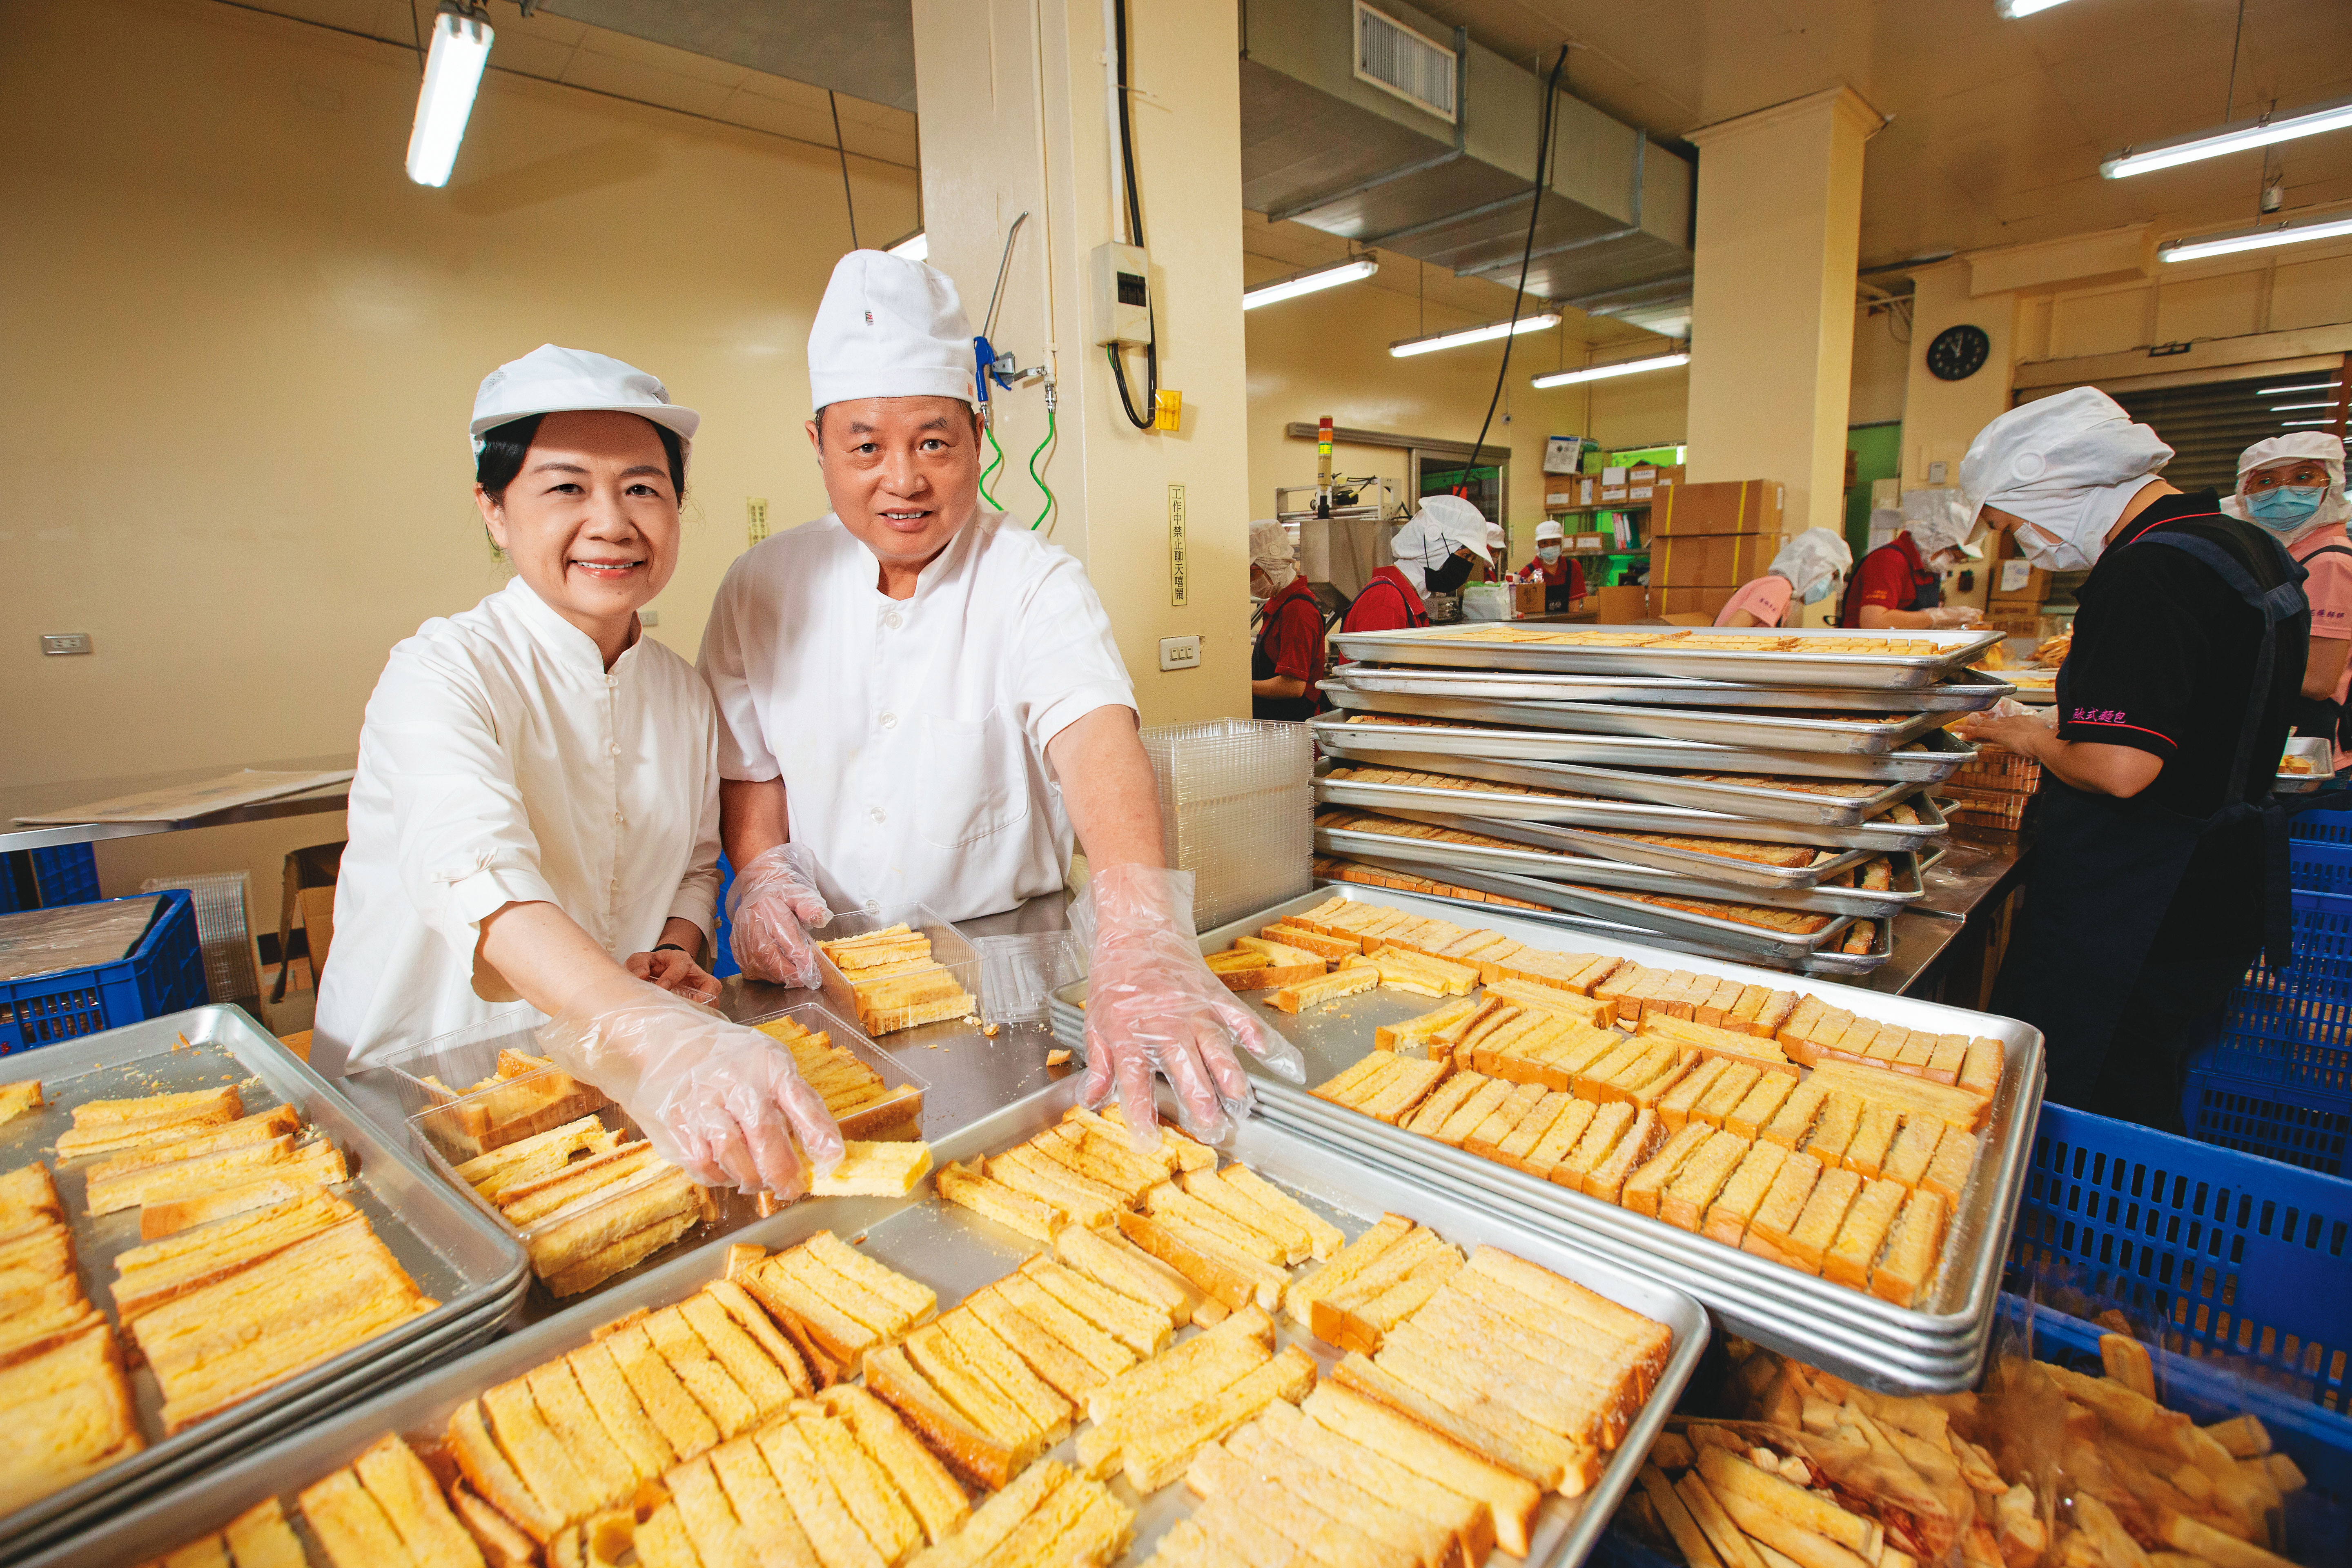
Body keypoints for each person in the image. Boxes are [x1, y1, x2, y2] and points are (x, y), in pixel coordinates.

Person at [699, 252, 1301, 1145]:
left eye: (934, 442)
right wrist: (759, 879)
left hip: (1008, 975)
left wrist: (1137, 923)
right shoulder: (760, 586)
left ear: (978, 436)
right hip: (827, 975)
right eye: (865, 445)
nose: (902, 479)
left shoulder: (1033, 581)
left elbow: (1095, 741)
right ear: (818, 442)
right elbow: (752, 770)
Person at [315, 345, 842, 1197]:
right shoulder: (441, 673)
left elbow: (695, 866)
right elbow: (484, 887)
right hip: (425, 1103)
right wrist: (660, 1034)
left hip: (606, 1099)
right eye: (566, 488)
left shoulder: (679, 690)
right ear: (493, 509)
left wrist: (675, 949)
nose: (612, 522)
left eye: (643, 488)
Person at [1950, 388, 2310, 1131]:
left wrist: (2025, 735)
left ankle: (2083, 1243)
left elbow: (2121, 768)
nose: (2027, 545)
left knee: (2092, 1092)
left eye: (2015, 525)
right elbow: (2201, 707)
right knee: (2147, 1077)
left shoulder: (2148, 572)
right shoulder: (2243, 546)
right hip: (2218, 873)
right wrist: (2064, 717)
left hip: (2138, 895)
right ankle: (2135, 1239)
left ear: (2052, 485)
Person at [2225, 433, 2352, 769]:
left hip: (2305, 744)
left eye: (2304, 477)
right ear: (2245, 495)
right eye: (2266, 481)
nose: (2283, 493)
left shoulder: (2330, 561)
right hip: (2279, 734)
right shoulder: (2286, 555)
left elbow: (2317, 680)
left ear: (2332, 485)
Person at [1339, 494, 1493, 633]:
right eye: (1465, 556)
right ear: (1433, 545)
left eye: (1472, 560)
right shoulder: (1386, 602)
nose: (1465, 568)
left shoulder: (1403, 598)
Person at [1840, 494, 1983, 629]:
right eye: (1955, 556)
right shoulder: (1889, 560)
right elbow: (1874, 622)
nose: (1953, 563)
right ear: (1939, 541)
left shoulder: (1929, 566)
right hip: (1867, 650)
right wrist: (1938, 617)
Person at [1249, 519, 1324, 721]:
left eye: (1250, 574)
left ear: (1269, 564)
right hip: (1274, 730)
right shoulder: (1280, 605)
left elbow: (1293, 686)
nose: (1248, 582)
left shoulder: (1298, 610)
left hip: (1291, 731)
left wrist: (1239, 687)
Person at [1715, 528, 1852, 628]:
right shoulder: (1779, 587)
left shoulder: (1782, 590)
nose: (1830, 587)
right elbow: (1729, 632)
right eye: (1832, 577)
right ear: (1813, 567)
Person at [1528, 519, 1588, 610]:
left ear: (1562, 544)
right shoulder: (1529, 571)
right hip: (1540, 624)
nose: (1550, 547)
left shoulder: (1573, 567)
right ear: (1538, 546)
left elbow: (1575, 608)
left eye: (1554, 542)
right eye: (1544, 543)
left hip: (1566, 623)